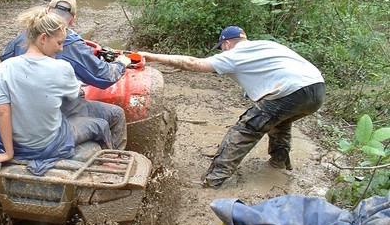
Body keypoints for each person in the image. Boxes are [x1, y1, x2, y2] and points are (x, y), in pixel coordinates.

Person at [139, 26, 325, 189]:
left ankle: (213, 180)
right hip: (317, 89)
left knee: (246, 128)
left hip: (292, 90)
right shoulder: (266, 45)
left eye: (221, 48)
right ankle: (279, 165)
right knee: (279, 123)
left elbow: (192, 63)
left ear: (226, 44)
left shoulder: (234, 54)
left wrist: (150, 56)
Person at [0, 7, 115, 176]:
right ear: (43, 38)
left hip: (16, 143)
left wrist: (8, 153)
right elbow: (74, 95)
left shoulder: (5, 67)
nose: (62, 49)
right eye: (59, 43)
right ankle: (109, 169)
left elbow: (2, 111)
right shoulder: (62, 68)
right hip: (49, 143)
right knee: (101, 124)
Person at [0, 0, 130, 149]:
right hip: (55, 116)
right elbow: (104, 76)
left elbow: (4, 56)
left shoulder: (23, 39)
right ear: (73, 19)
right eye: (58, 44)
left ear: (48, 10)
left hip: (23, 112)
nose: (60, 49)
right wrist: (121, 64)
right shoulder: (70, 49)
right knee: (115, 115)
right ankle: (112, 162)